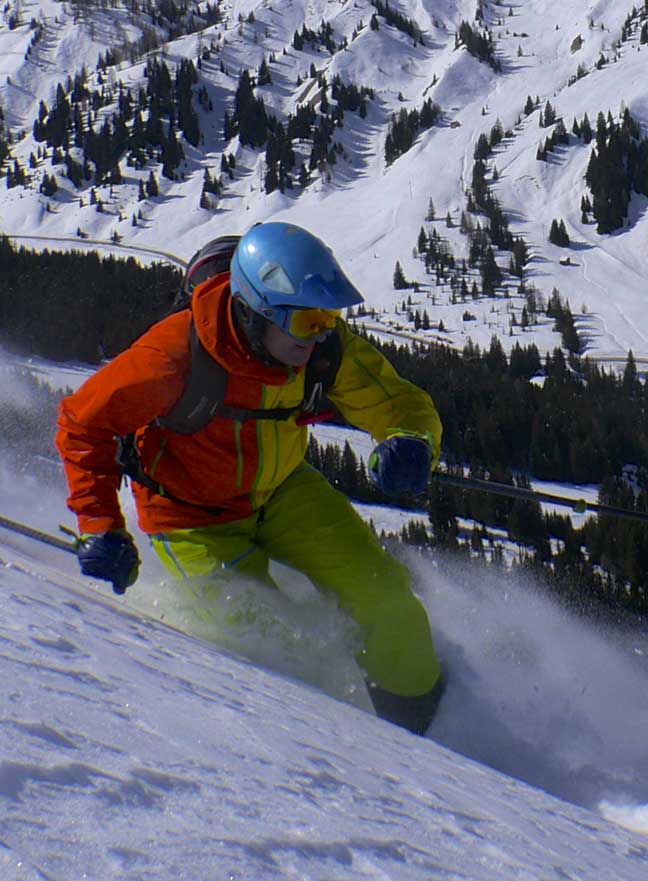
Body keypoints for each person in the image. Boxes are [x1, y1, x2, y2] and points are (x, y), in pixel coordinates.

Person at [54, 222, 448, 734]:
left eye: (329, 316)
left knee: (387, 601)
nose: (325, 331)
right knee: (265, 643)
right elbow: (84, 424)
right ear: (258, 311)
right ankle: (345, 759)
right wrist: (100, 524)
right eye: (308, 321)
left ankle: (433, 739)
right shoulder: (174, 355)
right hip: (189, 517)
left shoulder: (321, 348)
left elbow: (400, 405)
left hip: (282, 490)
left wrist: (411, 442)